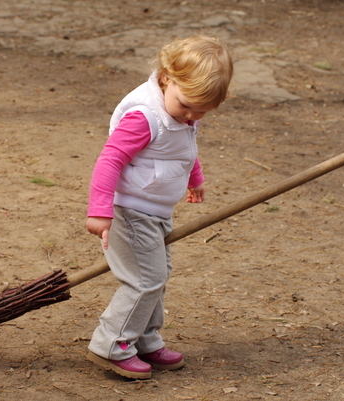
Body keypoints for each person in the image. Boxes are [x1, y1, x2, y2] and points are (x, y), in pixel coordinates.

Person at [85, 35, 233, 380]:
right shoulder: (144, 116)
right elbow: (109, 160)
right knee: (144, 279)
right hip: (131, 212)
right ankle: (112, 343)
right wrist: (100, 210)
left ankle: (143, 339)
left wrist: (194, 179)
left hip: (155, 212)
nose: (193, 116)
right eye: (188, 106)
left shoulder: (182, 111)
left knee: (157, 277)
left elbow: (182, 149)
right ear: (166, 78)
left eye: (203, 111)